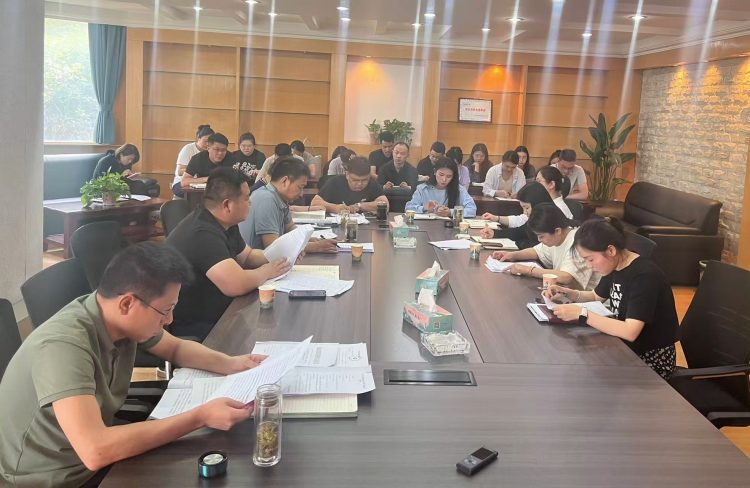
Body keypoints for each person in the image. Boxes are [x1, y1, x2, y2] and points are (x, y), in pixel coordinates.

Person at [0, 242, 268, 487]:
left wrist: (232, 364)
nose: (169, 320)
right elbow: (95, 450)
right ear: (127, 303)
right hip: (53, 477)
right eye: (165, 310)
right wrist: (200, 417)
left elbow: (175, 347)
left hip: (91, 454)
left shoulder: (114, 316)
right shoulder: (63, 345)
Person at [544, 217, 679, 379]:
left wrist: (583, 314)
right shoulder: (615, 265)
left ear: (610, 251)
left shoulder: (644, 276)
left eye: (590, 259)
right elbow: (595, 296)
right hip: (625, 348)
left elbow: (630, 331)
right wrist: (567, 292)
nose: (589, 265)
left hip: (651, 361)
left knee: (584, 376)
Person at [167, 168, 292, 340]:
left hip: (222, 312)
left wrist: (284, 256)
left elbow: (248, 256)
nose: (250, 203)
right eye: (246, 198)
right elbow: (236, 284)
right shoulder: (201, 233)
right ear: (227, 205)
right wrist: (267, 271)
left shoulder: (225, 222)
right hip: (198, 328)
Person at [489, 204, 599, 290]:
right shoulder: (557, 238)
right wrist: (512, 255)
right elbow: (536, 251)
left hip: (590, 301)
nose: (539, 240)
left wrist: (528, 270)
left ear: (557, 231)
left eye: (541, 236)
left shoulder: (578, 242)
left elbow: (566, 277)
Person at [239, 156, 337, 253]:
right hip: (254, 261)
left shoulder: (280, 197)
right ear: (285, 181)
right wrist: (316, 247)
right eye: (300, 187)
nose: (301, 194)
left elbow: (290, 228)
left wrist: (309, 239)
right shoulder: (266, 199)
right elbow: (272, 246)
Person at [479, 181, 554, 249]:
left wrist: (520, 243)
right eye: (523, 208)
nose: (525, 212)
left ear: (537, 203)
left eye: (527, 208)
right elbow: (519, 231)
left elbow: (536, 247)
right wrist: (494, 233)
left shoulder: (549, 219)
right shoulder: (535, 218)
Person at [311, 156, 389, 213]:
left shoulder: (372, 183)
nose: (360, 184)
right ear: (347, 175)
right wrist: (335, 208)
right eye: (355, 180)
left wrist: (360, 206)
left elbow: (386, 205)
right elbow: (314, 203)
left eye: (364, 180)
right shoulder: (335, 182)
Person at [405, 157, 477, 218]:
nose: (444, 179)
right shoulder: (422, 188)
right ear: (435, 171)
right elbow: (408, 208)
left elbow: (472, 210)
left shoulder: (459, 189)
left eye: (449, 176)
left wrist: (451, 212)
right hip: (427, 226)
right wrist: (425, 208)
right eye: (441, 175)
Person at [172, 124, 214, 197]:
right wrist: (196, 169)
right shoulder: (188, 149)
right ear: (198, 138)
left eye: (210, 142)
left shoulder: (212, 151)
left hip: (202, 184)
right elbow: (180, 171)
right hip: (183, 183)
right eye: (205, 141)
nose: (207, 144)